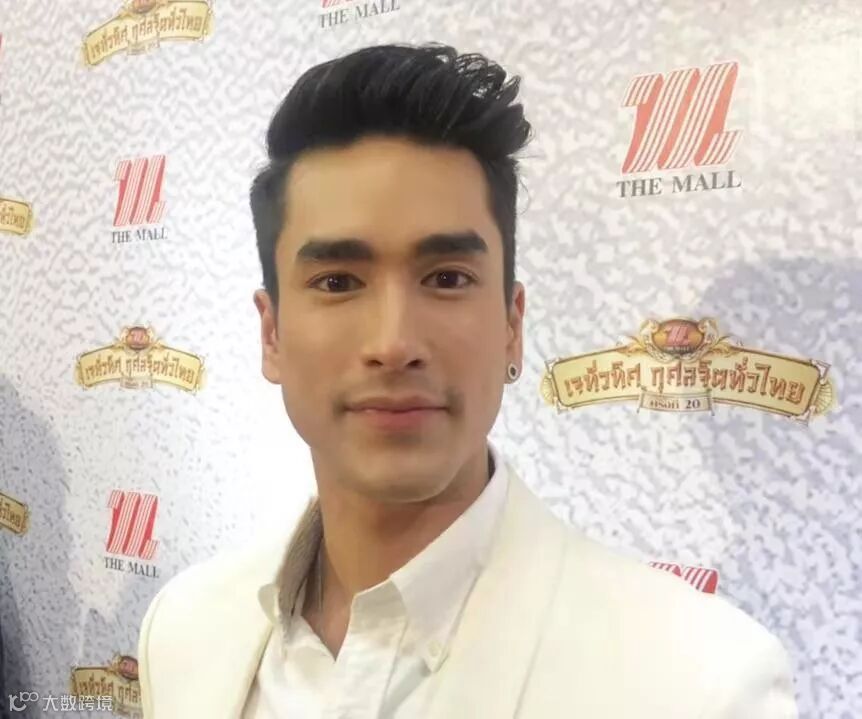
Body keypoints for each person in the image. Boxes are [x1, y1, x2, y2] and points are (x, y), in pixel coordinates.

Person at [137, 43, 798, 718]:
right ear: (272, 333)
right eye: (337, 282)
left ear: (512, 325)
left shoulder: (703, 684)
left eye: (447, 278)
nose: (393, 343)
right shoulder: (184, 630)